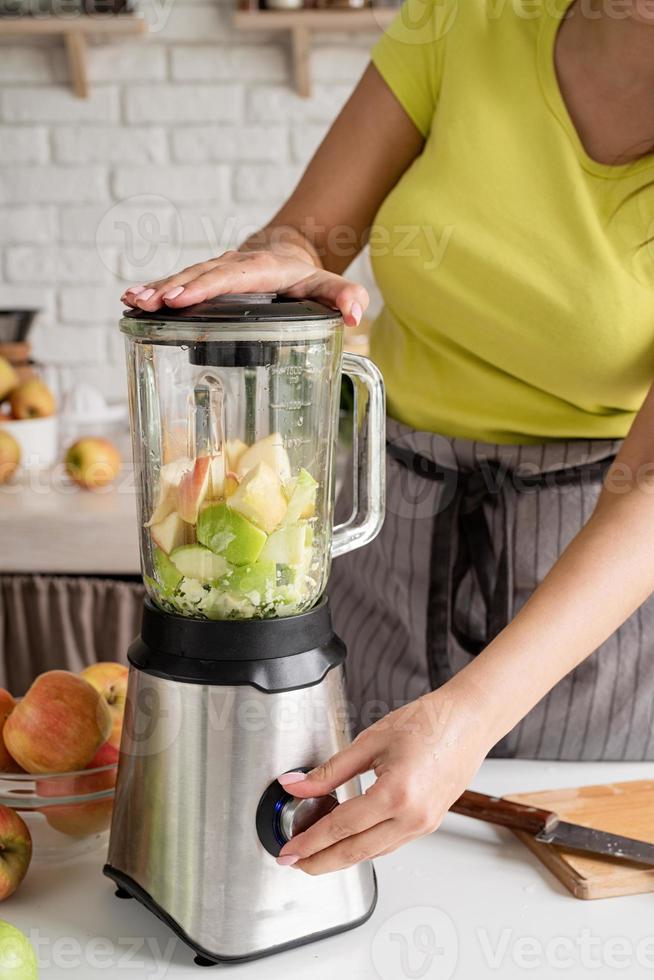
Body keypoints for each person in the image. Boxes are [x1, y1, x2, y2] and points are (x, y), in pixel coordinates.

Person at [121, 0, 654, 875]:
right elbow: (308, 233)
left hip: (590, 580)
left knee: (541, 877)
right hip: (387, 520)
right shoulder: (462, 20)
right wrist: (287, 257)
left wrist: (469, 715)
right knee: (349, 848)